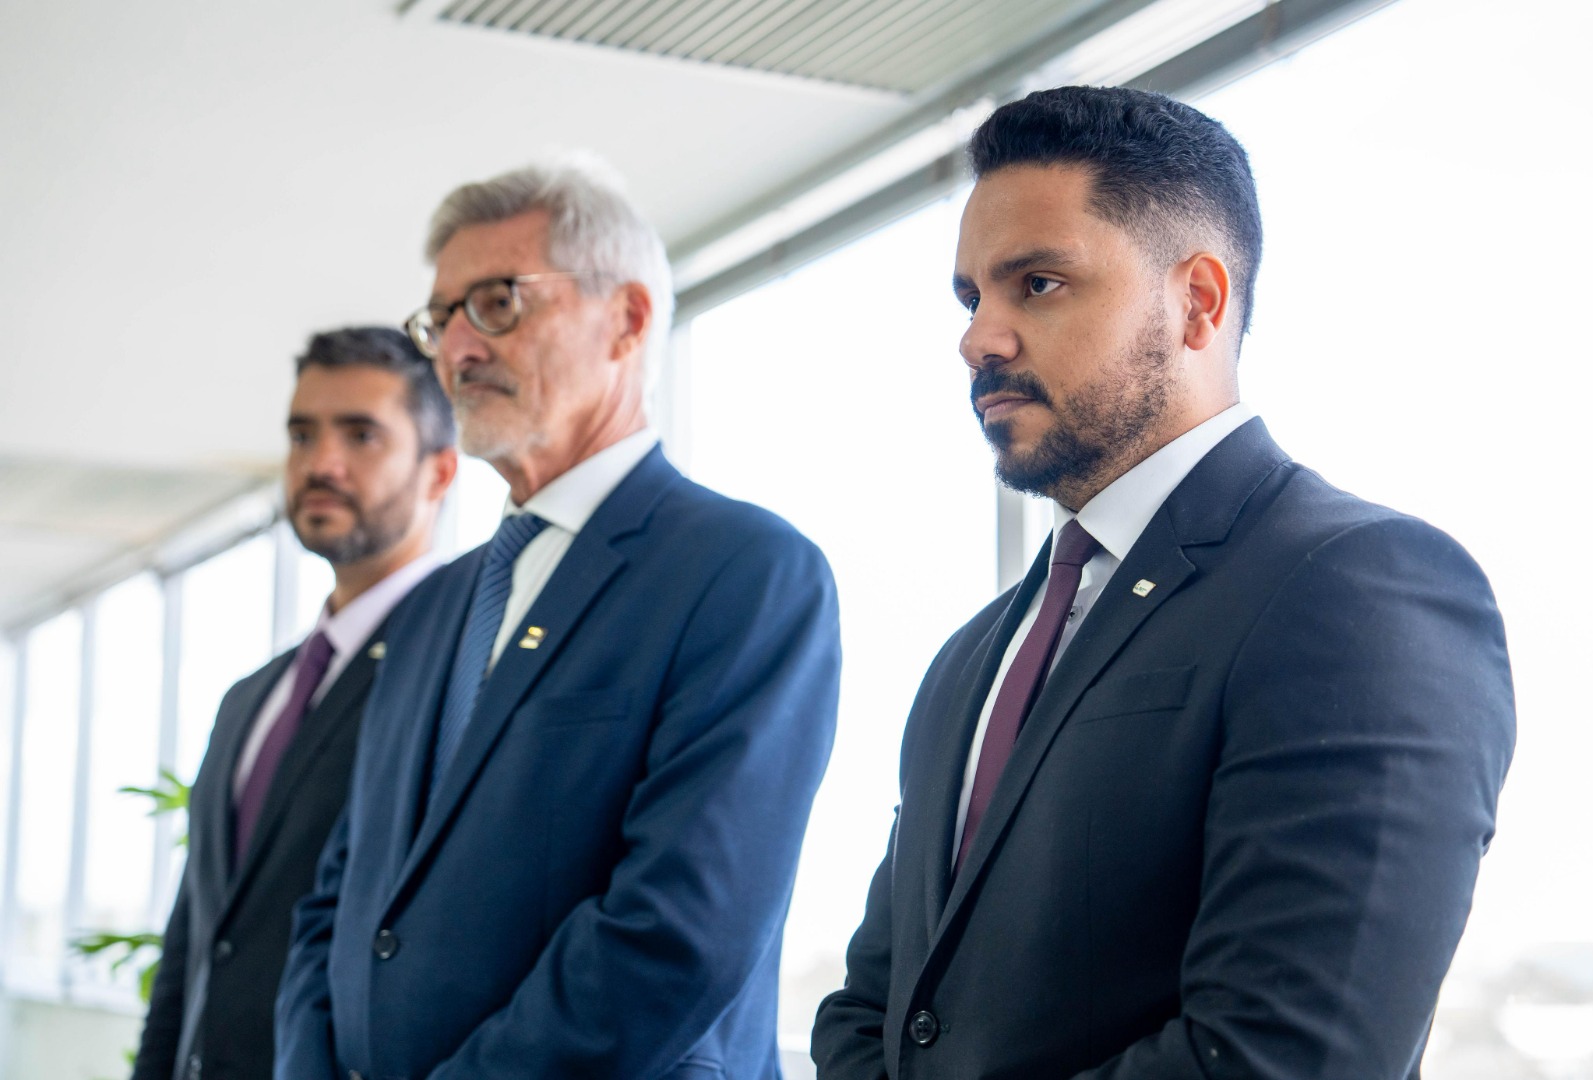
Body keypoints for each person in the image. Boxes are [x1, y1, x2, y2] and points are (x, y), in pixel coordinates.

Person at [811, 85, 1515, 1080]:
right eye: (973, 299)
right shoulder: (973, 656)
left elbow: (1285, 1055)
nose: (979, 339)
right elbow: (872, 1010)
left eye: (1038, 283)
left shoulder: (1358, 588)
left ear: (1199, 303)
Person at [275, 155, 842, 1080]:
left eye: (497, 303)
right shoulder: (431, 611)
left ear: (627, 319)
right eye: (442, 319)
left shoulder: (744, 572)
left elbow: (674, 936)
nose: (457, 350)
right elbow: (333, 903)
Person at [133, 328, 457, 1080]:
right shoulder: (250, 698)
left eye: (361, 435)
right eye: (302, 435)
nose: (321, 464)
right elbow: (194, 941)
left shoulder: (458, 674)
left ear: (440, 471)